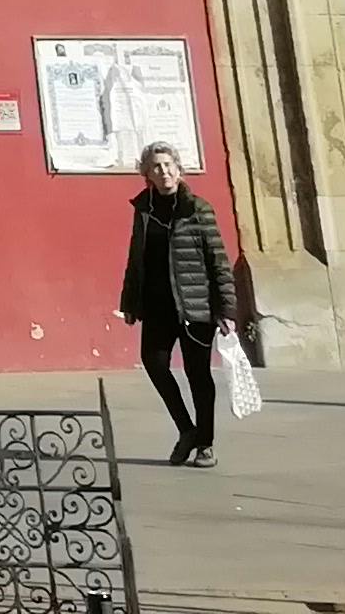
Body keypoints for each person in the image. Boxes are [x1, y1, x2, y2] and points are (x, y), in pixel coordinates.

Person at [118, 143, 232, 468]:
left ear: (179, 170)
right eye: (156, 166)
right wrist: (129, 301)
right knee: (154, 363)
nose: (164, 171)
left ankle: (205, 444)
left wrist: (226, 310)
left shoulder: (198, 209)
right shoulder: (144, 211)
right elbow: (135, 259)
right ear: (147, 174)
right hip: (157, 306)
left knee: (198, 374)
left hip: (195, 306)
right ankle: (187, 429)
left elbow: (218, 261)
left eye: (168, 165)